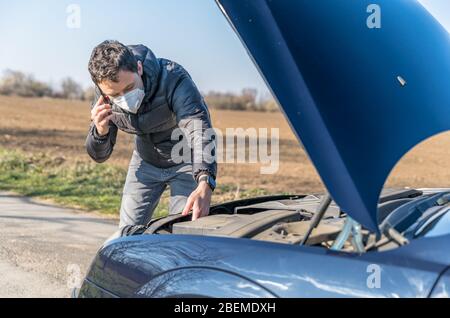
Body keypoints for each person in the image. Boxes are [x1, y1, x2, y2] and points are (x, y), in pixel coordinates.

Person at [85, 40, 217, 230]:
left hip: (185, 162)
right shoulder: (104, 94)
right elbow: (99, 155)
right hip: (145, 161)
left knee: (186, 232)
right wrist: (100, 132)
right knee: (127, 234)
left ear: (139, 67)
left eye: (129, 88)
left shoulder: (173, 79)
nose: (124, 99)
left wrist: (205, 180)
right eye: (116, 95)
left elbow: (199, 129)